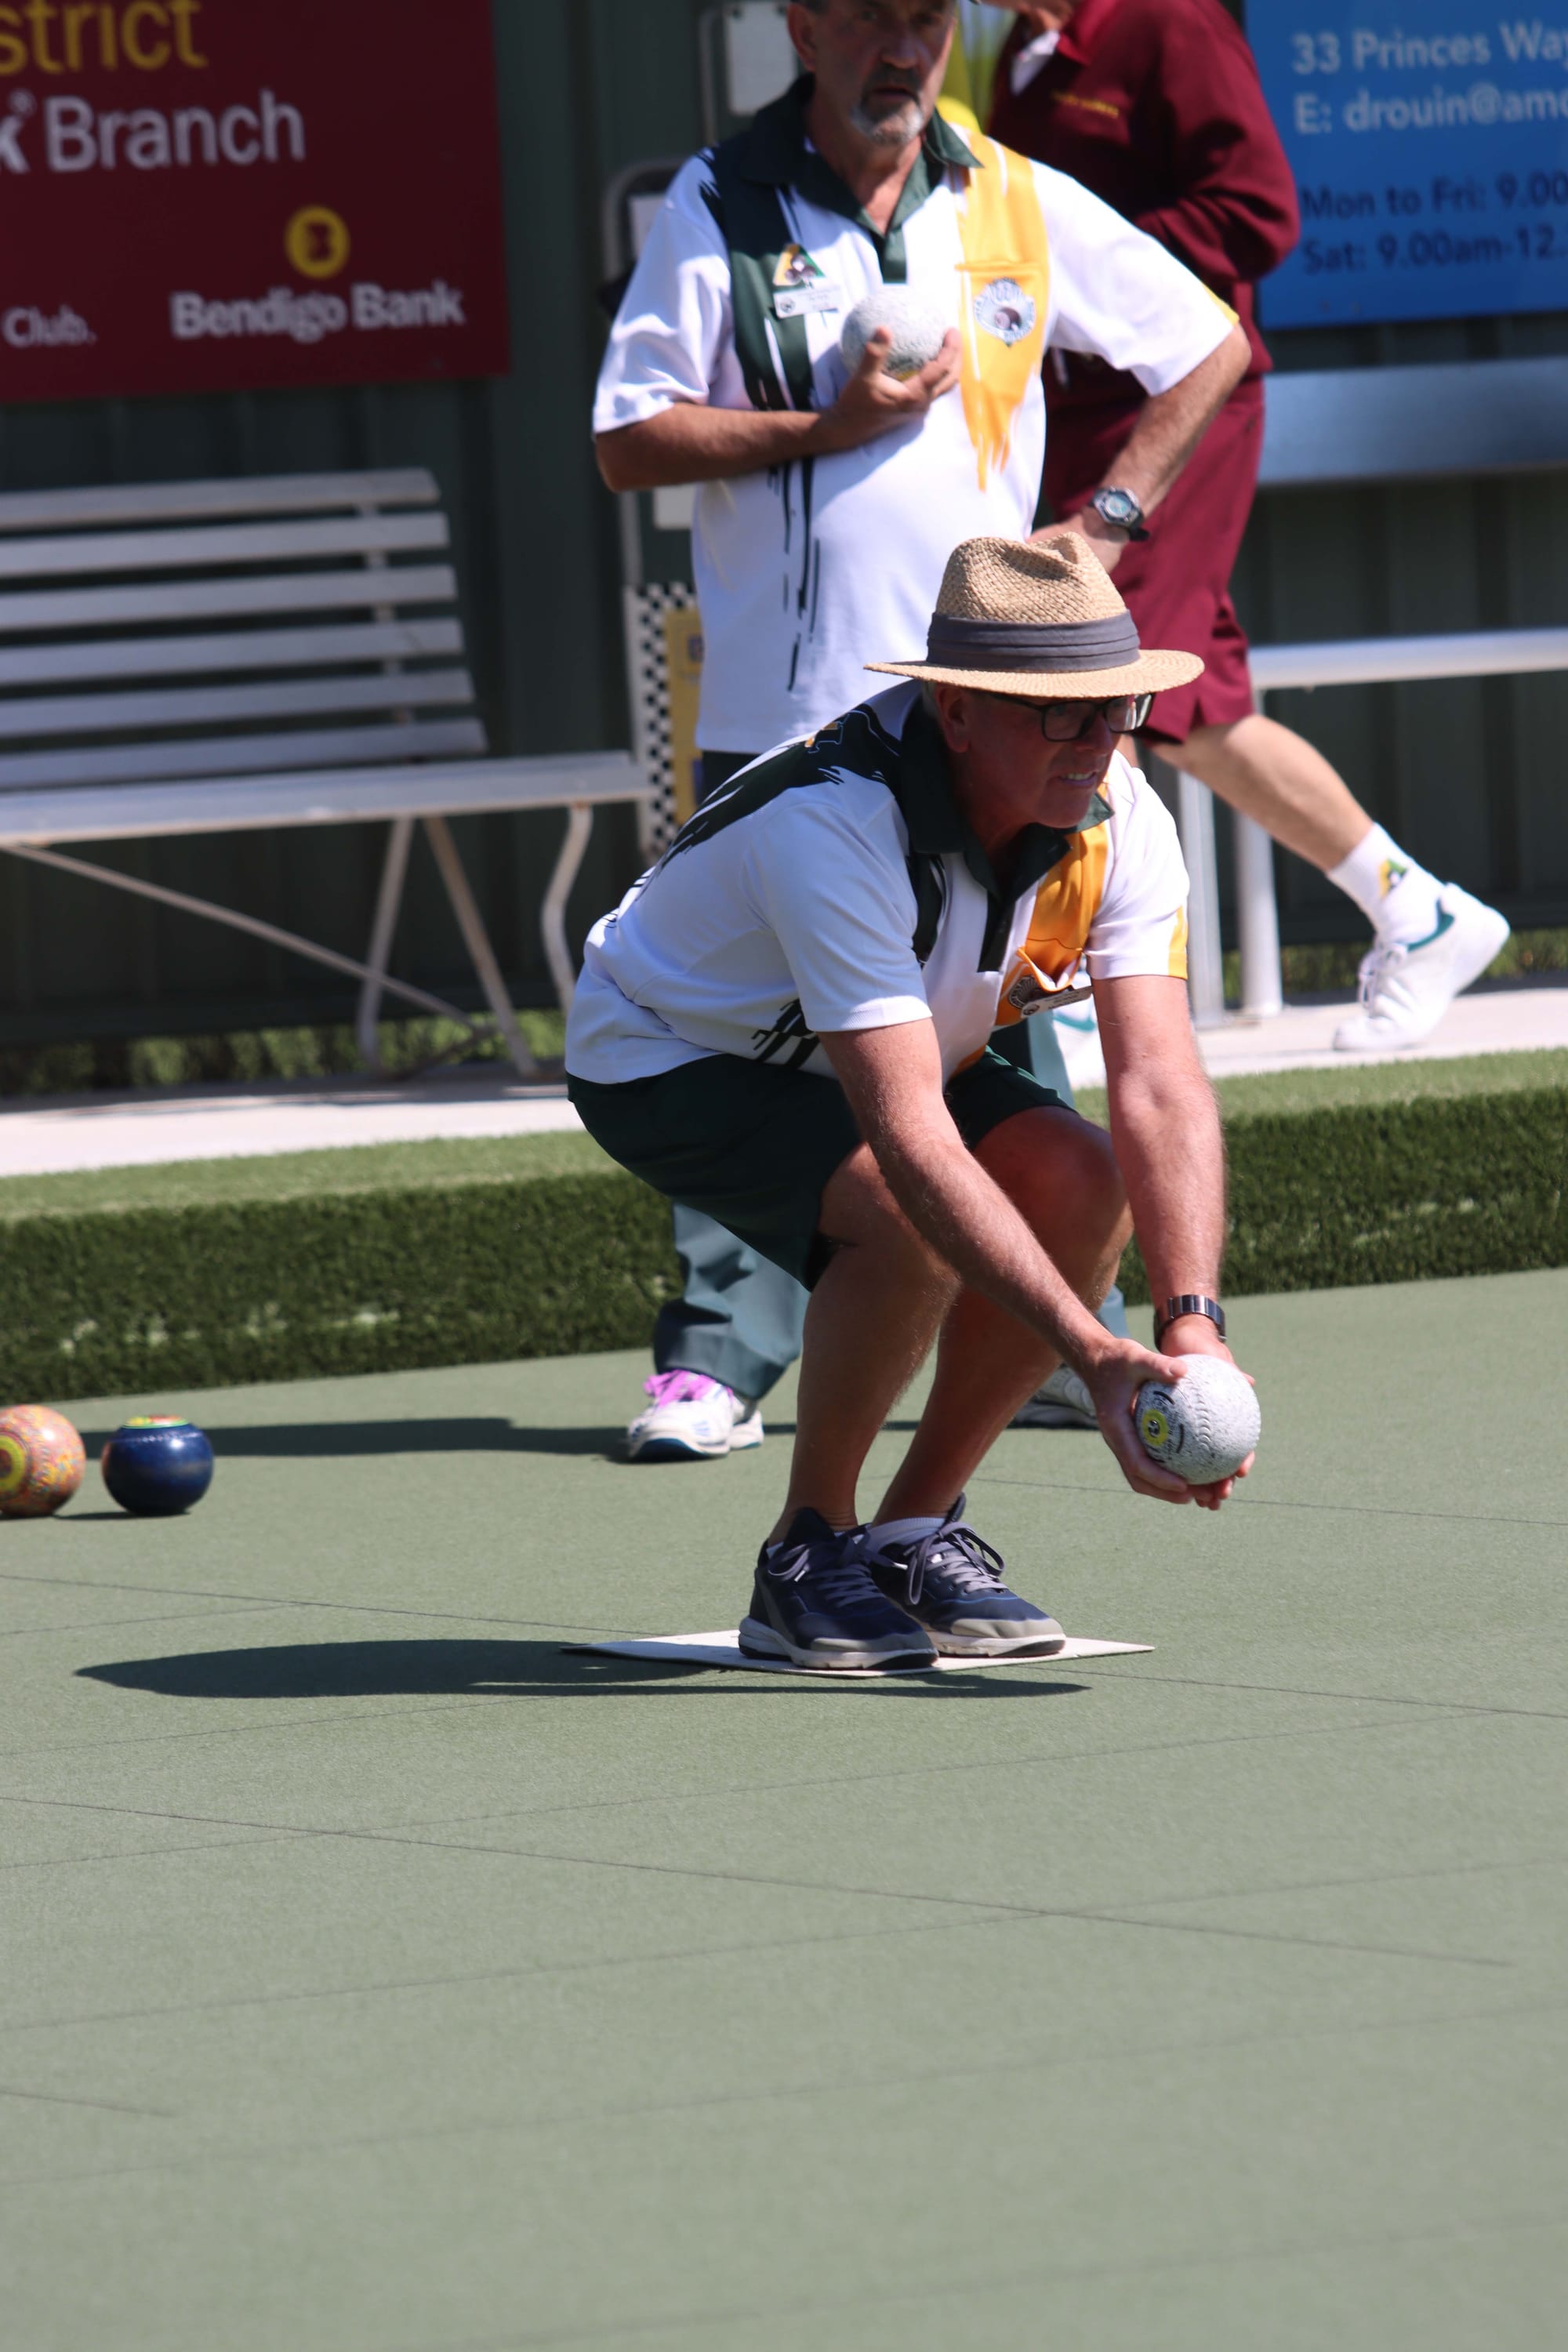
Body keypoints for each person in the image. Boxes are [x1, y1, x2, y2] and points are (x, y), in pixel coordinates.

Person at [593, 0, 1250, 1464]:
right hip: (791, 719)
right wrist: (823, 429)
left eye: (927, 18)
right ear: (804, 25)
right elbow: (630, 432)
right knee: (787, 1043)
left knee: (1007, 1030)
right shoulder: (720, 199)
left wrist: (1109, 519)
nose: (906, 48)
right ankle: (716, 1359)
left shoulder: (1014, 192)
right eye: (874, 18)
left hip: (1002, 709)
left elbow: (1208, 344)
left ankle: (1059, 1330)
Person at [567, 533, 1250, 1668]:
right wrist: (1093, 1354)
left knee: (1081, 1179)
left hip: (895, 1037)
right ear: (957, 710)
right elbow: (915, 1140)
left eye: (1114, 707)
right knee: (901, 1215)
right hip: (672, 1052)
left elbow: (1160, 1085)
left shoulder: (1121, 814)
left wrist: (1190, 1326)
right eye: (1057, 712)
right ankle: (807, 1550)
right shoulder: (834, 822)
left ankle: (911, 1531)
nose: (1095, 743)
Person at [985, 0, 1509, 1057]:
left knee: (1089, 682)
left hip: (1180, 407)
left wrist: (1087, 256)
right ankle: (1424, 915)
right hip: (1083, 420)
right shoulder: (1024, 59)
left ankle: (1066, 989)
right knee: (1199, 709)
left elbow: (1259, 210)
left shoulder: (1170, 25)